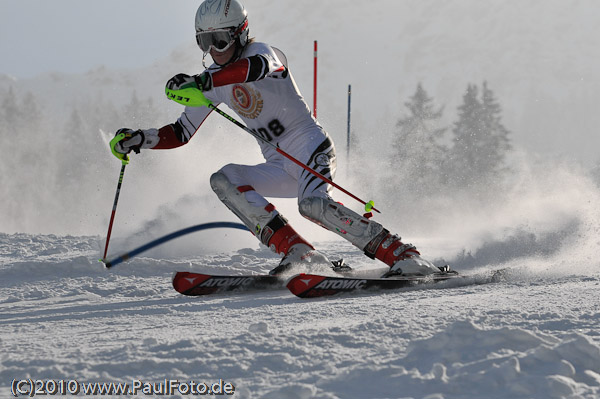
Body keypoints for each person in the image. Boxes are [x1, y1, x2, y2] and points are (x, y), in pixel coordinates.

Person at [111, 0, 443, 277]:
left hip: (311, 148)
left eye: (221, 40)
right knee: (224, 179)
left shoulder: (263, 53)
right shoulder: (213, 80)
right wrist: (138, 138)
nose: (214, 50)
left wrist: (201, 82)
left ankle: (404, 255)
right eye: (205, 42)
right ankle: (300, 254)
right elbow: (181, 133)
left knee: (312, 205)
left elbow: (253, 69)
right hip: (280, 165)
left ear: (240, 33)